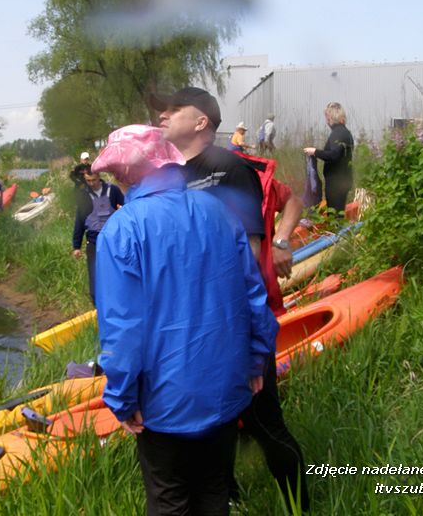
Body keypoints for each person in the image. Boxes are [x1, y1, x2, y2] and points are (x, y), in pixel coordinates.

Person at [92, 125, 275, 516]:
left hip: (163, 401)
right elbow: (252, 295)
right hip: (226, 386)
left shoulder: (121, 231)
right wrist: (256, 359)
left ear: (124, 175)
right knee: (214, 491)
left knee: (169, 499)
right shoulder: (219, 212)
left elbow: (123, 331)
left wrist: (122, 399)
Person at [152, 86, 309, 511]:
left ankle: (299, 505)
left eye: (172, 109)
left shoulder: (230, 170)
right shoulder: (168, 176)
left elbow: (243, 260)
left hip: (234, 320)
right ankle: (230, 499)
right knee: (216, 426)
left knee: (263, 421)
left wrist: (279, 239)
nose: (162, 116)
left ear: (201, 121)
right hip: (191, 326)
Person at [71, 166, 124, 305]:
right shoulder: (83, 196)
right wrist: (76, 246)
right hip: (94, 241)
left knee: (117, 272)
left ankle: (118, 300)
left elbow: (127, 210)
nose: (92, 183)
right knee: (95, 275)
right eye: (88, 181)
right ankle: (97, 304)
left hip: (114, 240)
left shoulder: (113, 190)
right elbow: (80, 220)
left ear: (99, 176)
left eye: (94, 180)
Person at [304, 101, 354, 217]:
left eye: (326, 116)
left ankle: (336, 233)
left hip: (337, 182)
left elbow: (333, 155)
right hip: (343, 179)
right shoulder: (345, 132)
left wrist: (315, 152)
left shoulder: (338, 133)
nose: (326, 120)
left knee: (335, 215)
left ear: (330, 117)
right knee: (337, 213)